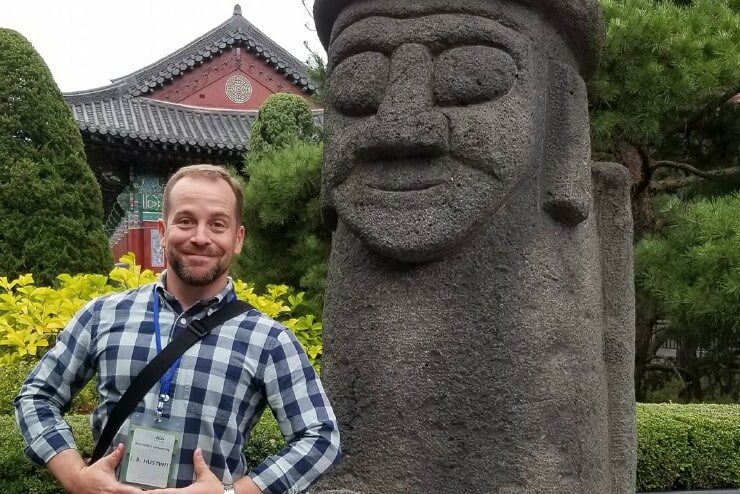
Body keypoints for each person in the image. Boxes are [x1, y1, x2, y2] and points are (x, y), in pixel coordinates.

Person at [15, 164, 341, 494]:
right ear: (162, 229)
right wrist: (76, 477)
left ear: (237, 238)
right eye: (185, 221)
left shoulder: (268, 340)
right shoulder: (103, 315)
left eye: (217, 224)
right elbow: (36, 396)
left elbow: (320, 436)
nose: (200, 237)